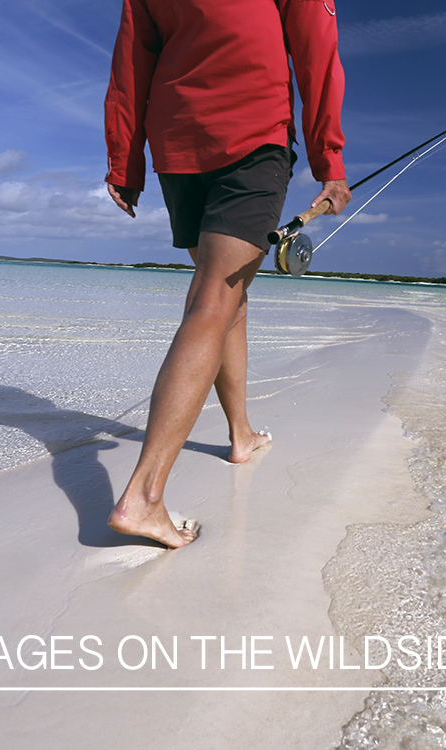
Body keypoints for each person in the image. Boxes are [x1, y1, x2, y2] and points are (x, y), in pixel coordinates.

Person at [102, 0, 352, 548]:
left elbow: (131, 62)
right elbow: (316, 53)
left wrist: (125, 160)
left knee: (229, 295)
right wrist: (328, 162)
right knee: (216, 297)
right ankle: (143, 498)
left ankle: (240, 434)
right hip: (252, 134)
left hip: (177, 143)